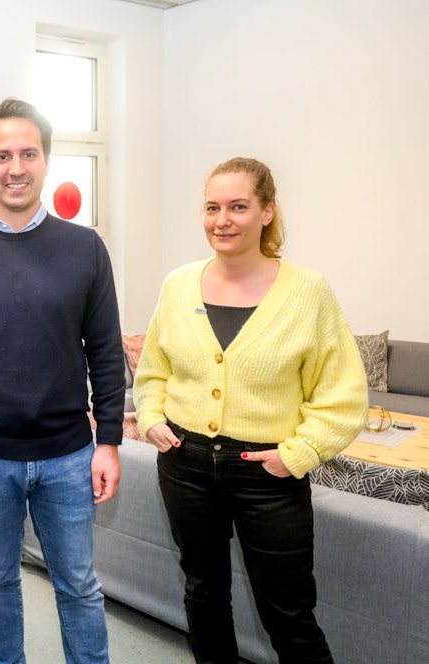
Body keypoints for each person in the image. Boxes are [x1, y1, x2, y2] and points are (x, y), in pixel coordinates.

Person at [133, 157, 368, 664]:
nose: (223, 220)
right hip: (185, 464)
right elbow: (153, 369)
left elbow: (344, 395)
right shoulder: (177, 285)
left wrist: (299, 453)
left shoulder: (308, 292)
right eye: (213, 207)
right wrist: (151, 418)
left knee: (288, 613)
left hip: (269, 475)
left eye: (238, 206)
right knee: (203, 595)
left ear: (266, 212)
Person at [0, 98, 125, 664]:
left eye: (28, 154)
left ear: (46, 161)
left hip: (68, 455)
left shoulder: (85, 248)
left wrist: (107, 440)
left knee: (80, 586)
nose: (16, 167)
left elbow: (107, 352)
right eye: (3, 155)